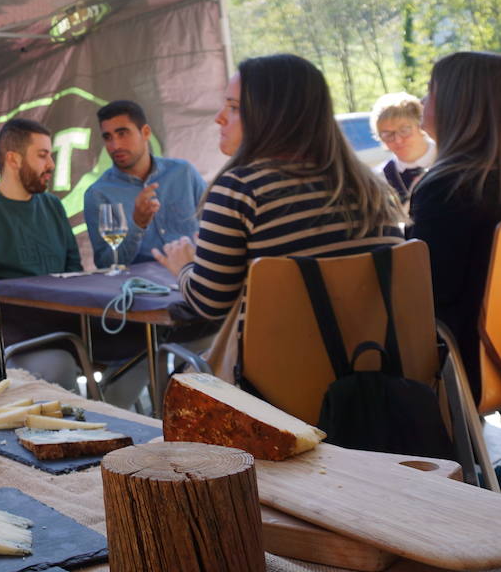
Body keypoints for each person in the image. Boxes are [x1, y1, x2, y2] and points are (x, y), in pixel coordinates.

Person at [154, 54, 405, 380]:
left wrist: (183, 266)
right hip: (379, 377)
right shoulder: (373, 190)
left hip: (280, 392)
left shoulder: (240, 190)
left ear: (271, 116)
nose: (219, 118)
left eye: (233, 107)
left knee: (178, 377)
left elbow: (210, 304)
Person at [409, 51, 501, 398]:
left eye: (431, 91)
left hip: (469, 360)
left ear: (455, 104)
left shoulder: (450, 187)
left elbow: (430, 292)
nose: (422, 101)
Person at [0, 118, 82, 386]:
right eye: (42, 156)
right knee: (61, 366)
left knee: (141, 346)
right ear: (13, 159)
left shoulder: (53, 206)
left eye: (50, 155)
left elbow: (75, 271)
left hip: (69, 328)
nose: (51, 165)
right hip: (16, 337)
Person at [83, 99, 205, 270]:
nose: (115, 145)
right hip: (141, 290)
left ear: (146, 132)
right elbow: (107, 264)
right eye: (108, 137)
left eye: (122, 133)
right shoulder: (98, 194)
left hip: (195, 277)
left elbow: (216, 228)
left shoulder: (183, 173)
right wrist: (137, 225)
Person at [371, 91, 435, 202]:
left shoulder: (446, 157)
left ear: (421, 126)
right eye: (388, 134)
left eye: (404, 130)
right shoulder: (381, 178)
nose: (398, 140)